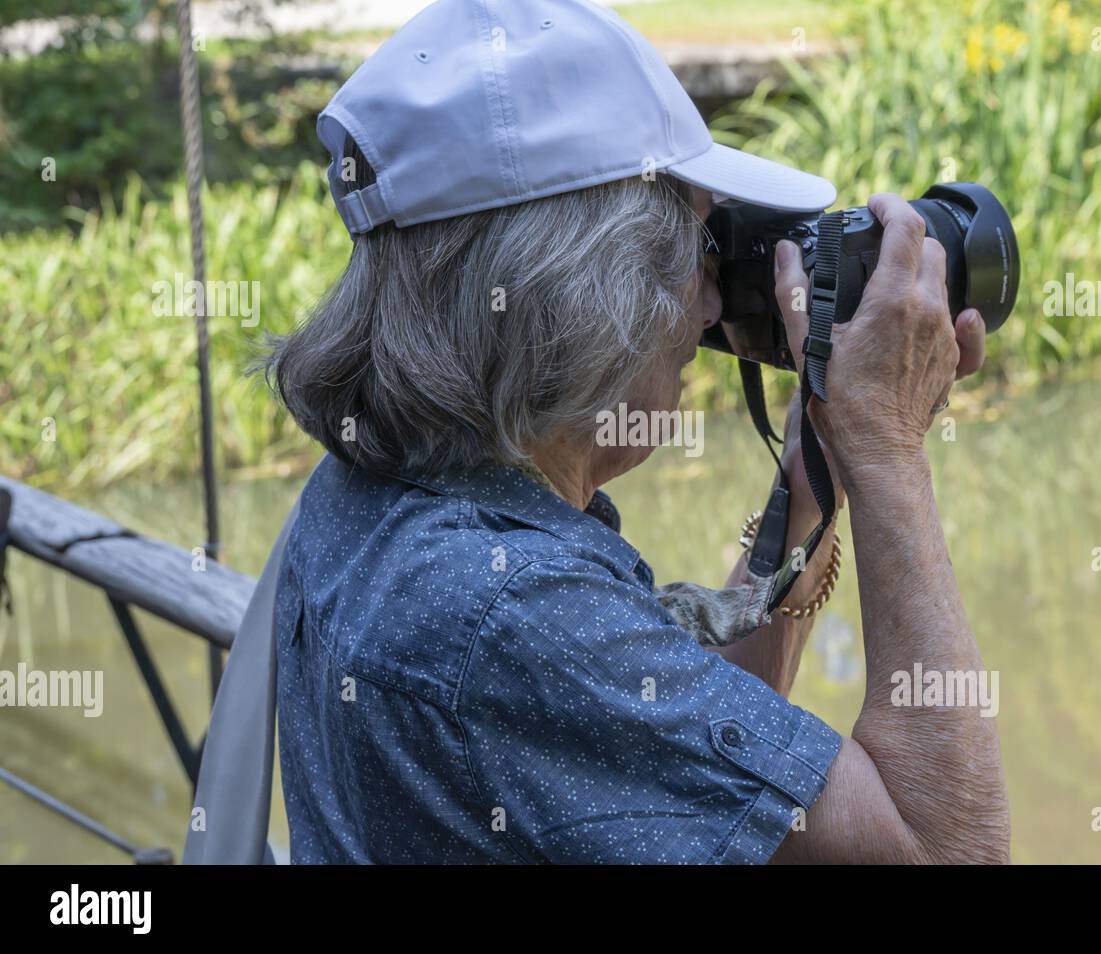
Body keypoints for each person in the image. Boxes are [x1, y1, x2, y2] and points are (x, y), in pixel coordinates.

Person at [261, 0, 1008, 863]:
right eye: (699, 248)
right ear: (583, 294)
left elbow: (690, 760)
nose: (717, 303)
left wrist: (818, 476)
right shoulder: (508, 613)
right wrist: (889, 454)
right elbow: (946, 850)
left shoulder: (381, 492)